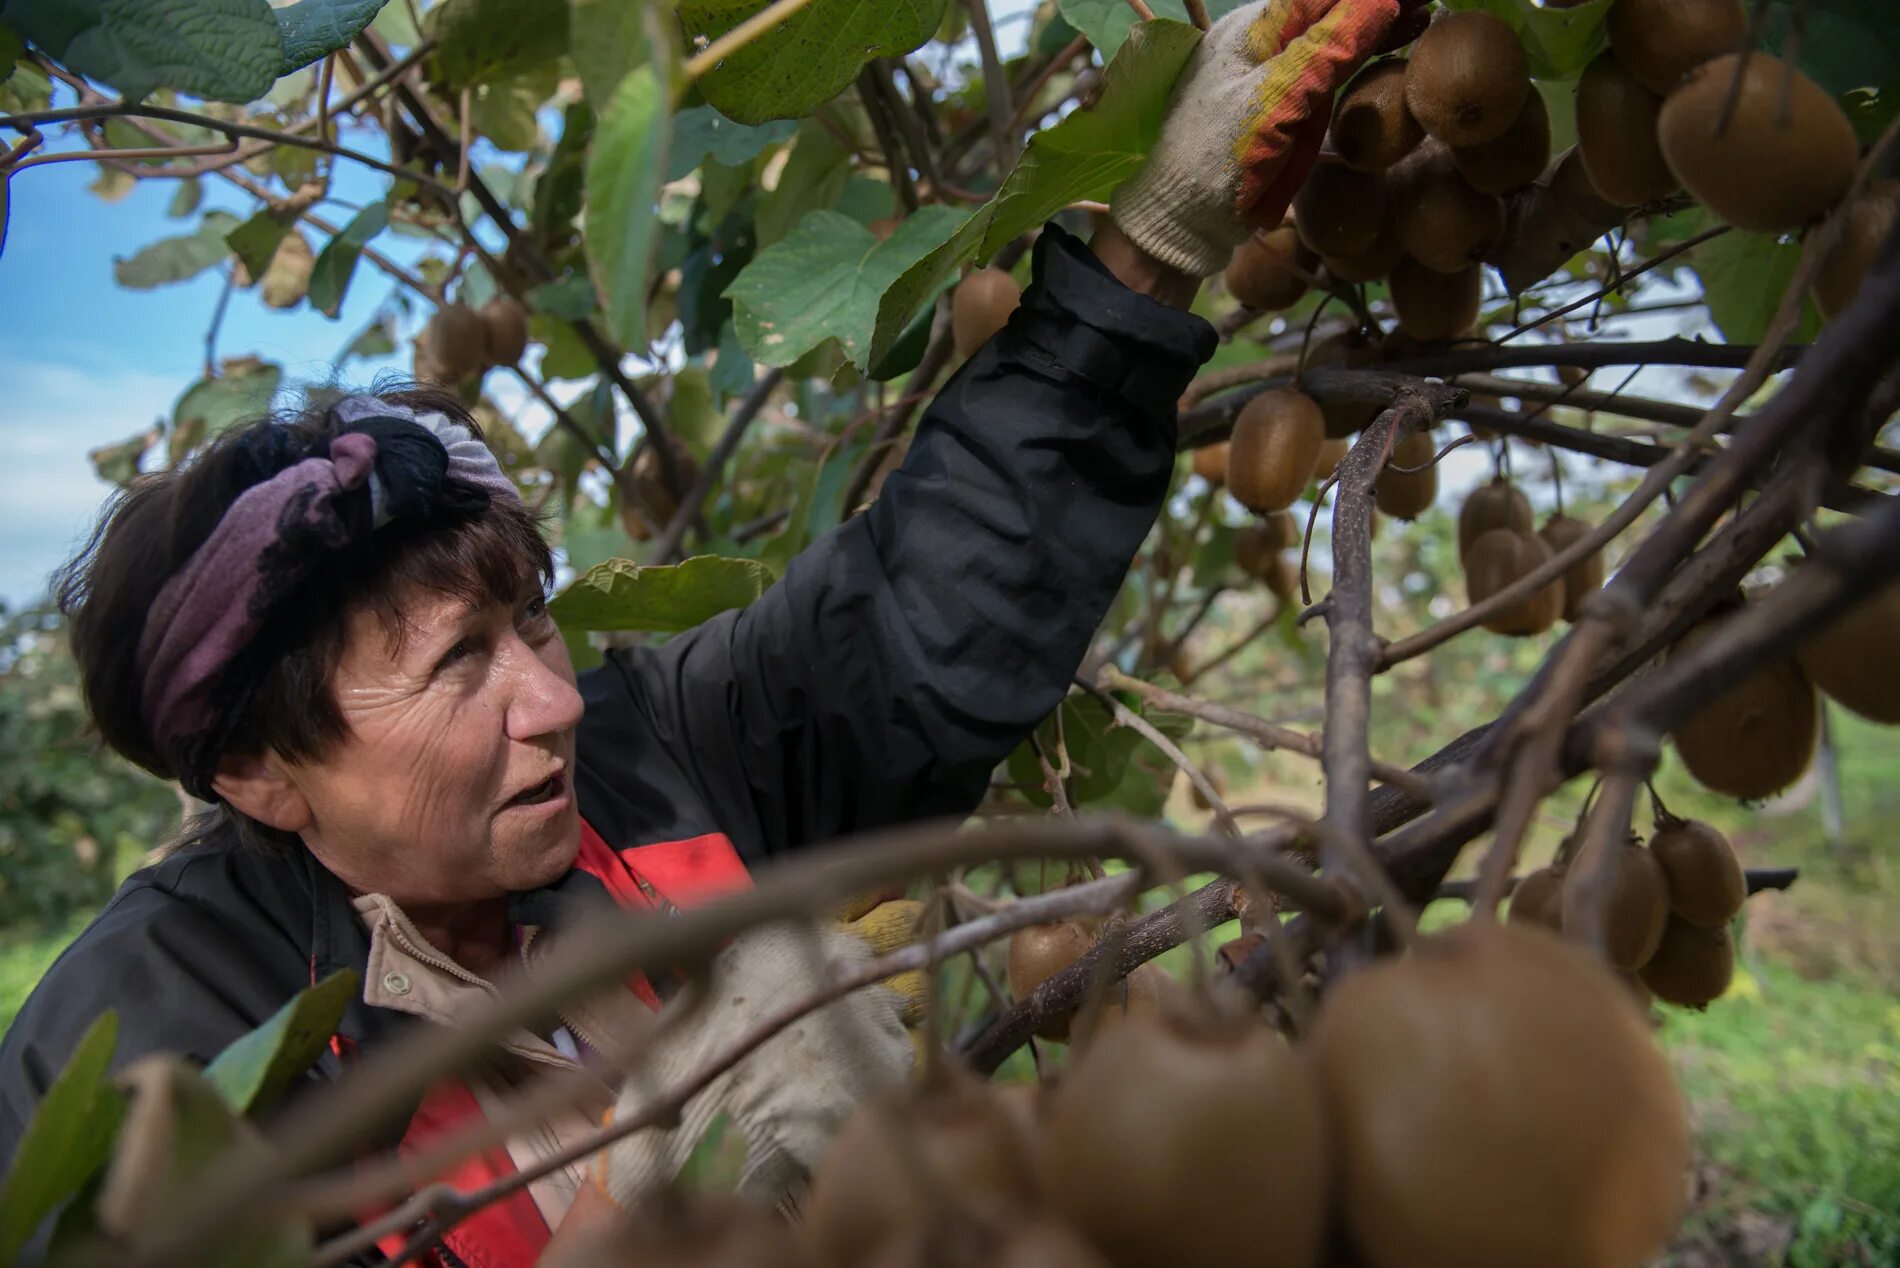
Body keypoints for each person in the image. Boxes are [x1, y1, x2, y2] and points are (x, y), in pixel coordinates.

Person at [0, 1, 1404, 1260]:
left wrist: (1155, 241)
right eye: (454, 668)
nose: (550, 705)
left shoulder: (642, 760)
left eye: (529, 629)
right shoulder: (142, 1056)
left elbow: (918, 614)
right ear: (260, 773)